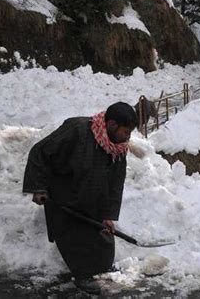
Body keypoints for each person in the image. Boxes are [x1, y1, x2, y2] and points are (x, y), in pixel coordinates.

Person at [23, 102, 138, 294]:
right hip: (63, 196)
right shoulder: (76, 130)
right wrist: (38, 188)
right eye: (126, 132)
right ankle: (82, 276)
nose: (128, 137)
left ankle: (100, 270)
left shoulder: (118, 148)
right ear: (111, 125)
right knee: (74, 238)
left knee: (103, 236)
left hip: (93, 198)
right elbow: (40, 152)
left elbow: (116, 183)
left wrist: (108, 214)